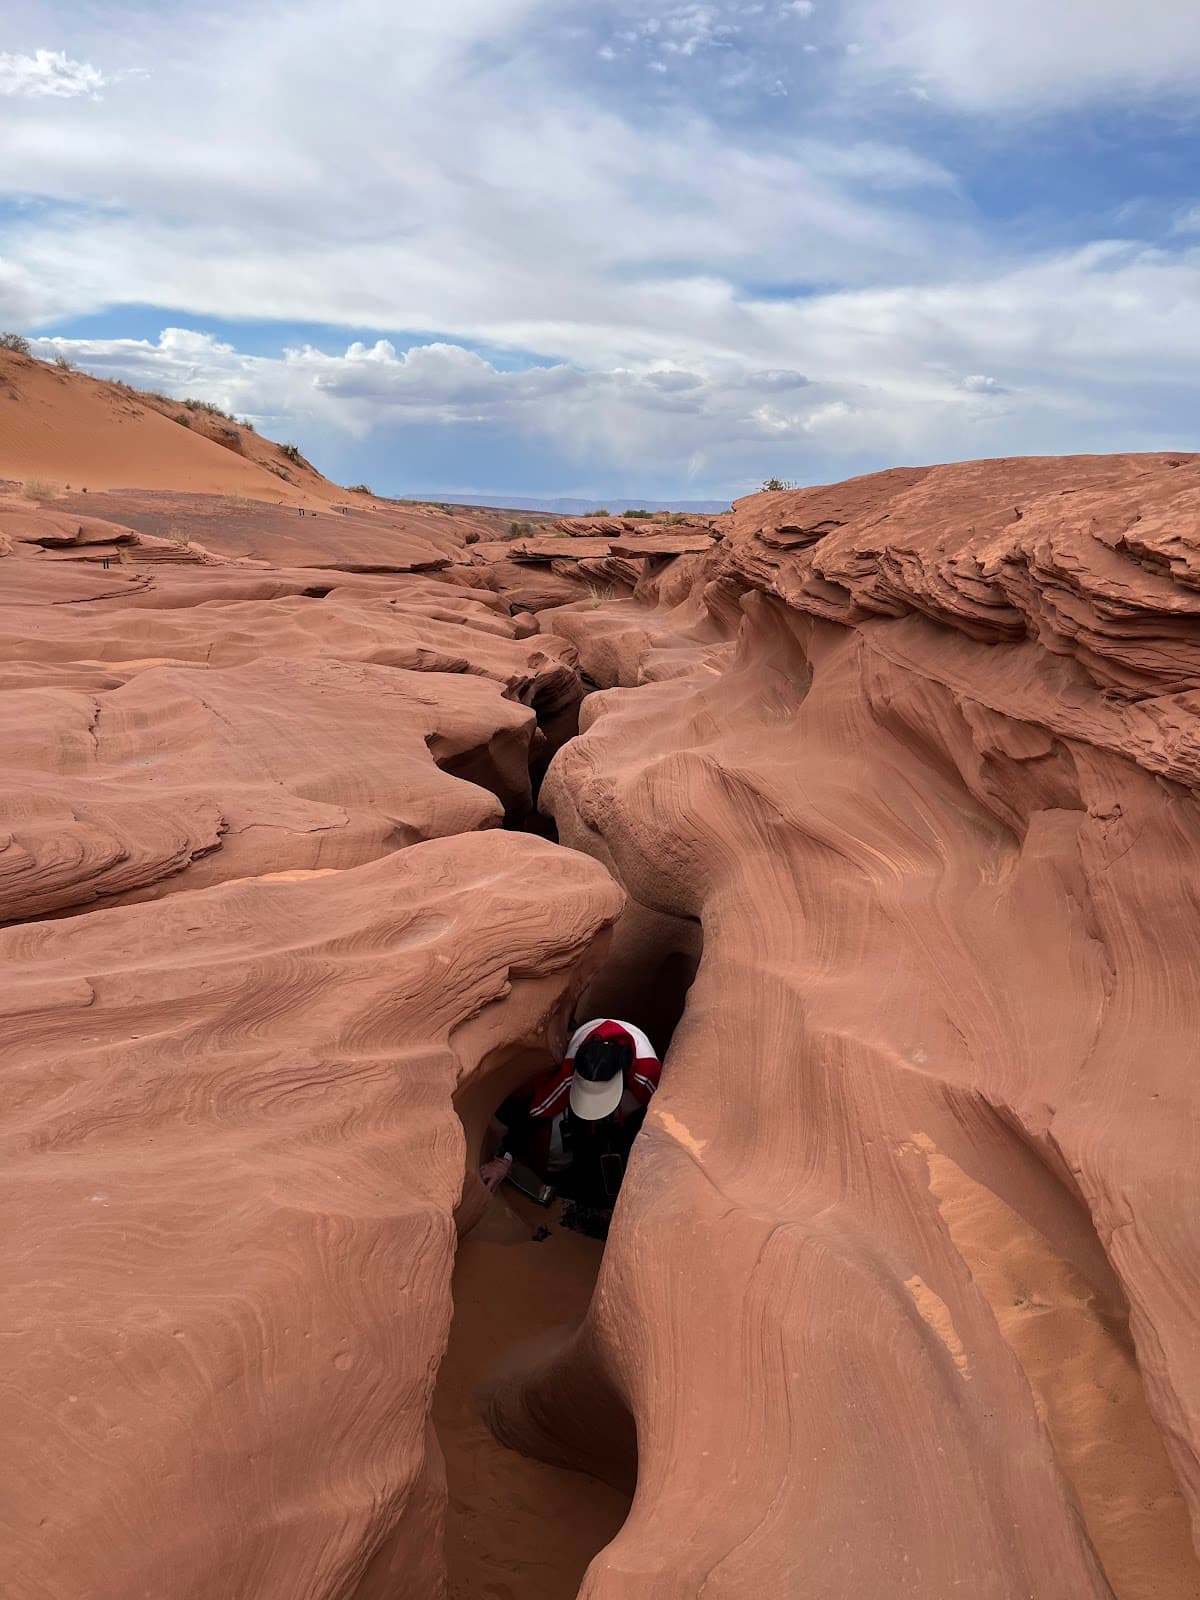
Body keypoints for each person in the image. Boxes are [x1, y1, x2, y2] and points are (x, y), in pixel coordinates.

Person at [480, 1019, 661, 1219]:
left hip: (630, 1110)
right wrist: (503, 1161)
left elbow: (657, 1126)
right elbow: (537, 1113)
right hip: (584, 1126)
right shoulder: (570, 1072)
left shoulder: (647, 1074)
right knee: (583, 1140)